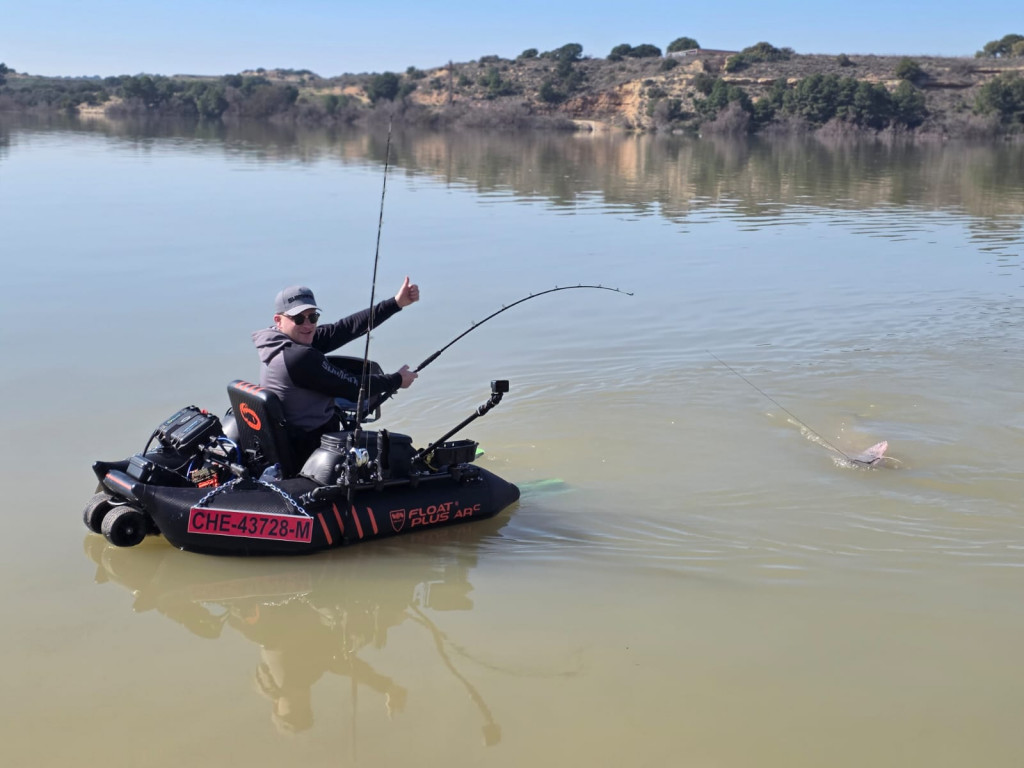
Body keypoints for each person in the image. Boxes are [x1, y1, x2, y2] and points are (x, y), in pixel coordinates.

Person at [252, 278, 419, 462]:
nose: (308, 325)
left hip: (295, 434)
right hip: (311, 448)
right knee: (400, 452)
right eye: (298, 319)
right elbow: (354, 387)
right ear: (279, 320)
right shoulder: (299, 357)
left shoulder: (276, 342)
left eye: (313, 316)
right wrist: (397, 380)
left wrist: (396, 303)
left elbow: (343, 329)